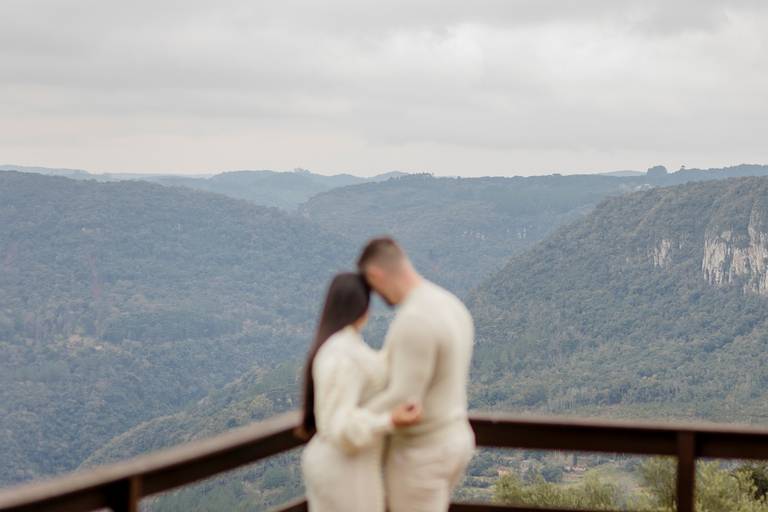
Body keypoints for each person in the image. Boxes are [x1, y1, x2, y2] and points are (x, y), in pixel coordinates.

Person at [358, 237, 476, 512]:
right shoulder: (450, 304)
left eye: (371, 287)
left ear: (375, 275)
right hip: (456, 436)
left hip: (423, 451)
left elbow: (404, 398)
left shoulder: (414, 319)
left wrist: (350, 419)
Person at [299, 272, 422, 512]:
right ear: (363, 307)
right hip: (344, 468)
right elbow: (340, 426)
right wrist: (389, 420)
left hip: (348, 464)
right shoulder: (342, 354)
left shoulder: (342, 345)